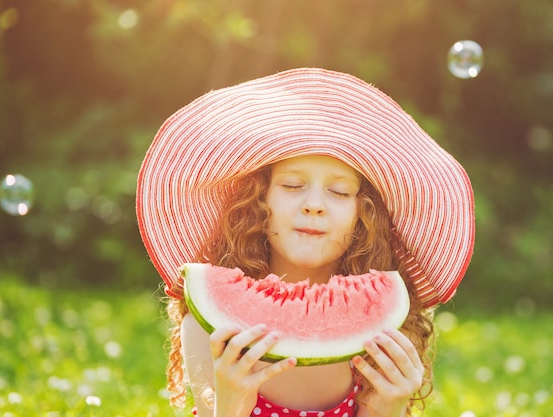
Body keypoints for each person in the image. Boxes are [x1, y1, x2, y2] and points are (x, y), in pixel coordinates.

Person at [136, 68, 475, 417]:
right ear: (259, 200)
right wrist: (230, 406)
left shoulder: (383, 335)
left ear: (364, 213)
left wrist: (387, 410)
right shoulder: (208, 329)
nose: (314, 204)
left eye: (339, 191)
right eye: (293, 185)